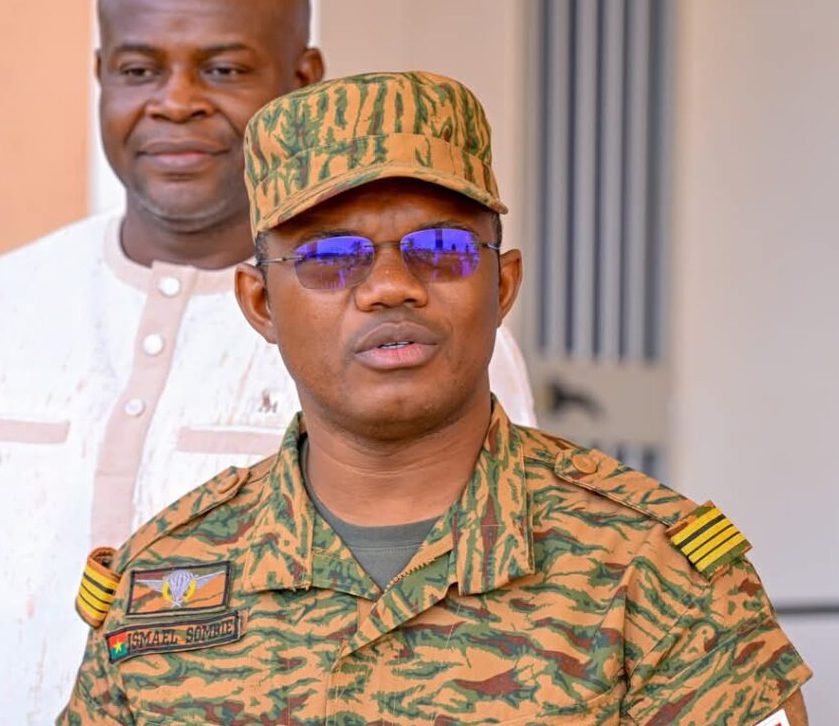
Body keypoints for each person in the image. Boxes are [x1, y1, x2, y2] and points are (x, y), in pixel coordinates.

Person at [61, 70, 810, 725]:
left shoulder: (656, 571)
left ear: (502, 286)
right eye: (331, 256)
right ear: (260, 304)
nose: (391, 287)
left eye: (441, 249)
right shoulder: (162, 582)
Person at [0, 1, 535, 721]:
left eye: (224, 69)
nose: (176, 102)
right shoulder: (13, 297)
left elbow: (506, 592)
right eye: (138, 70)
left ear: (302, 78)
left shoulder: (411, 339)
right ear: (101, 74)